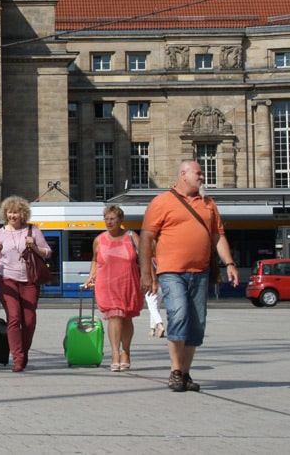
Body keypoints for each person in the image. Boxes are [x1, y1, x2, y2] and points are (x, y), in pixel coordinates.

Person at [139, 159, 238, 392]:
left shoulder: (209, 204)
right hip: (171, 271)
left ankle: (184, 373)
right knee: (179, 314)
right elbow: (146, 239)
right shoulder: (161, 202)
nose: (202, 177)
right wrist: (146, 273)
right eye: (198, 173)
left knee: (196, 323)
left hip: (200, 272)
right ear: (183, 174)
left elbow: (218, 236)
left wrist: (230, 263)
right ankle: (175, 370)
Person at [0, 195, 52, 372]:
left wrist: (34, 246)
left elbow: (47, 252)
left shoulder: (33, 230)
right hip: (7, 280)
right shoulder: (1, 233)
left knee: (29, 321)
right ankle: (17, 357)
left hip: (29, 281)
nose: (12, 216)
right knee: (14, 318)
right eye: (10, 212)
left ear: (22, 214)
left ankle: (23, 353)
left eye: (16, 212)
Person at [82, 205, 144, 371]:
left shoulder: (131, 236)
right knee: (115, 315)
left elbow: (145, 258)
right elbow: (96, 260)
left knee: (127, 318)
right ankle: (115, 353)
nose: (108, 222)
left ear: (121, 220)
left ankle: (126, 351)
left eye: (112, 219)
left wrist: (149, 277)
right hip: (107, 284)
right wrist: (91, 276)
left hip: (128, 282)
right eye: (106, 219)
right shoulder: (99, 239)